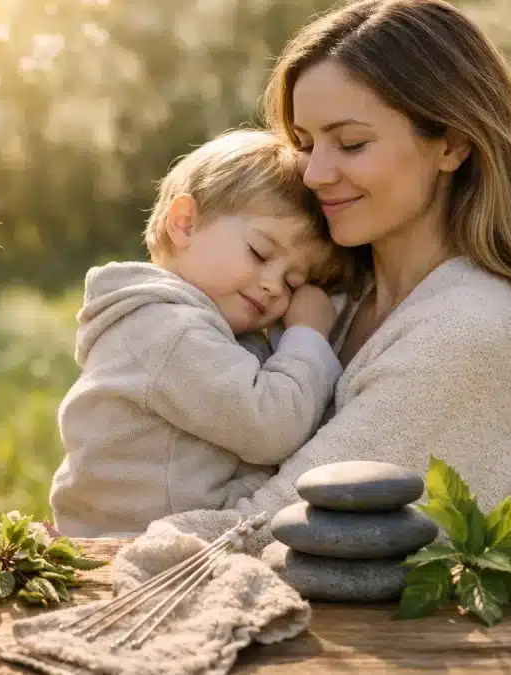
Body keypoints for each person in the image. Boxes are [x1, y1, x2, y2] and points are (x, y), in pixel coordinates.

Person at [113, 0, 511, 587]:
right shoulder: (331, 296)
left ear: (452, 144)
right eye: (306, 143)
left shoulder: (472, 330)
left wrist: (102, 542)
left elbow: (275, 531)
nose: (314, 173)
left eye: (351, 143)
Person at [50, 129, 351, 537]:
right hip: (129, 546)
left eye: (293, 282)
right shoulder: (170, 331)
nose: (273, 286)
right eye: (260, 253)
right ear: (185, 223)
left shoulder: (186, 321)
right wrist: (307, 335)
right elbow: (271, 425)